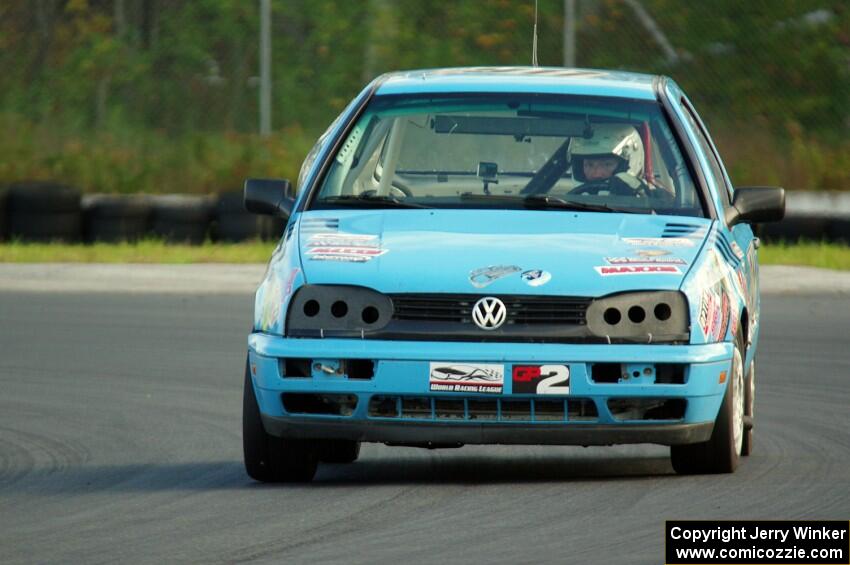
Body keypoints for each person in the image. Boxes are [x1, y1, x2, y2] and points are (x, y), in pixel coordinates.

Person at [569, 123, 652, 196]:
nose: (597, 174)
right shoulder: (564, 206)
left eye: (607, 164)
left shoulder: (650, 202)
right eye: (589, 165)